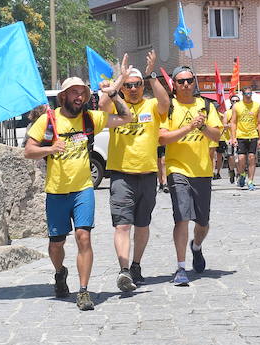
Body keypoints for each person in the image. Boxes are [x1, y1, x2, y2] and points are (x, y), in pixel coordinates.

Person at [24, 60, 133, 311]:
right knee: (56, 245)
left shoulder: (90, 119)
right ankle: (60, 272)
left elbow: (127, 117)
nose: (79, 97)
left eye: (82, 92)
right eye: (74, 92)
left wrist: (114, 93)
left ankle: (83, 291)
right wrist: (50, 148)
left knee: (84, 237)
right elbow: (28, 151)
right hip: (56, 192)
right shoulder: (48, 120)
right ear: (63, 96)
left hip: (83, 189)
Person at [98, 50, 170, 290]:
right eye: (128, 85)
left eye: (137, 85)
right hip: (121, 175)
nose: (132, 89)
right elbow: (102, 103)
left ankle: (136, 264)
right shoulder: (118, 106)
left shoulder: (150, 104)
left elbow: (165, 103)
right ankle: (124, 270)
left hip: (147, 174)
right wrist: (119, 78)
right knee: (122, 225)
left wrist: (150, 75)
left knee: (142, 225)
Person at [159, 66, 222, 286]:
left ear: (194, 82)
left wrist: (202, 125)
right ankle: (181, 267)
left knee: (203, 222)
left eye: (189, 80)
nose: (185, 85)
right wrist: (188, 127)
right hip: (177, 170)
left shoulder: (205, 105)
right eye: (180, 81)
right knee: (182, 217)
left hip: (202, 171)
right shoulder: (168, 107)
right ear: (173, 85)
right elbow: (163, 139)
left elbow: (217, 133)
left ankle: (196, 246)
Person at [229, 87, 260, 191]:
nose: (248, 96)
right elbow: (233, 122)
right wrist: (233, 137)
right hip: (241, 135)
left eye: (250, 94)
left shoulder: (257, 106)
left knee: (252, 158)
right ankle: (242, 174)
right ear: (242, 95)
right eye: (246, 94)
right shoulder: (237, 106)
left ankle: (251, 181)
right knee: (241, 159)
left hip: (253, 135)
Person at [224, 95, 240, 183]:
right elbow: (224, 125)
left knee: (238, 158)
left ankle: (239, 173)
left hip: (240, 138)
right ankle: (231, 171)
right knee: (231, 157)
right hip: (229, 138)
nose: (235, 103)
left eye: (237, 101)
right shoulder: (228, 113)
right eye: (233, 101)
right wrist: (230, 125)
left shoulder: (241, 112)